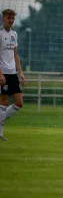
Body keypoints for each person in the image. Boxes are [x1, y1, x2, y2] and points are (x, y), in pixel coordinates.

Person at [0, 9, 26, 141]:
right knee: (3, 102)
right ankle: (0, 133)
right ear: (3, 18)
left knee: (19, 102)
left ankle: (0, 121)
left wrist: (20, 72)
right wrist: (0, 74)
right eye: (8, 18)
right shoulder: (0, 34)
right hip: (2, 73)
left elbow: (15, 54)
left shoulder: (14, 34)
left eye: (13, 19)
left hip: (12, 73)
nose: (11, 20)